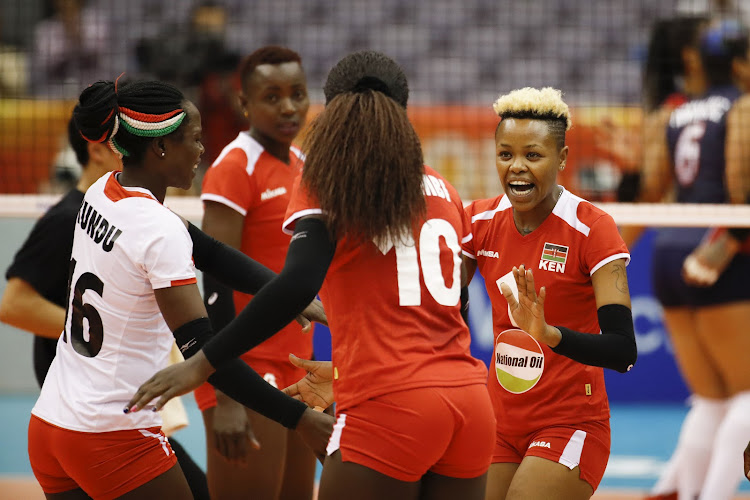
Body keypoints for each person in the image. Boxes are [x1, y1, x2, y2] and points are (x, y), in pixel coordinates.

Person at [128, 50, 497, 500]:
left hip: (392, 404)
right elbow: (447, 306)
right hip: (469, 401)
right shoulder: (443, 187)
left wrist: (205, 363)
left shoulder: (328, 174)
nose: (288, 108)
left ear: (332, 108)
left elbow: (297, 283)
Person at [27, 78, 332, 500]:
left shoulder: (102, 192)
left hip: (51, 424)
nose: (202, 150)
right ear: (161, 148)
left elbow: (207, 249)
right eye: (194, 139)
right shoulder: (158, 230)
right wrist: (299, 418)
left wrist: (286, 292)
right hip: (112, 435)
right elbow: (204, 353)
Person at [0, 108, 211, 499]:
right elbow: (13, 304)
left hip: (79, 413)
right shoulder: (72, 215)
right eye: (125, 137)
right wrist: (103, 329)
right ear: (99, 148)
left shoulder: (106, 203)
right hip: (95, 412)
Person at [466, 87, 635, 499]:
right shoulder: (478, 221)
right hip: (499, 424)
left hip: (570, 424)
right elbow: (432, 311)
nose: (517, 168)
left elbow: (623, 351)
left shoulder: (592, 228)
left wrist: (550, 334)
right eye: (505, 154)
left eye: (533, 155)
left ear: (561, 158)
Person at [633, 18, 750, 500]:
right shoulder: (742, 109)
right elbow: (741, 186)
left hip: (667, 252)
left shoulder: (671, 114)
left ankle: (673, 489)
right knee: (748, 395)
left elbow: (653, 190)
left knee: (713, 399)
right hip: (719, 250)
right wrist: (729, 243)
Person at [194, 45, 315, 499]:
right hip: (245, 365)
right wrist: (226, 391)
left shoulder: (305, 165)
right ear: (244, 104)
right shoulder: (233, 167)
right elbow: (213, 281)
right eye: (272, 96)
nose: (288, 107)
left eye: (297, 94)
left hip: (300, 369)